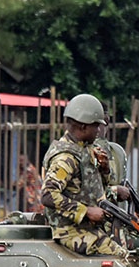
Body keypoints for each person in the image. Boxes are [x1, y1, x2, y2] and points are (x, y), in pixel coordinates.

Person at [41, 93, 130, 258]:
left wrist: (104, 170)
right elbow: (48, 195)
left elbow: (93, 188)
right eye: (96, 126)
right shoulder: (66, 158)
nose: (99, 130)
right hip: (70, 232)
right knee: (122, 259)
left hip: (90, 227)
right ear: (83, 127)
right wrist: (86, 211)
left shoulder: (86, 150)